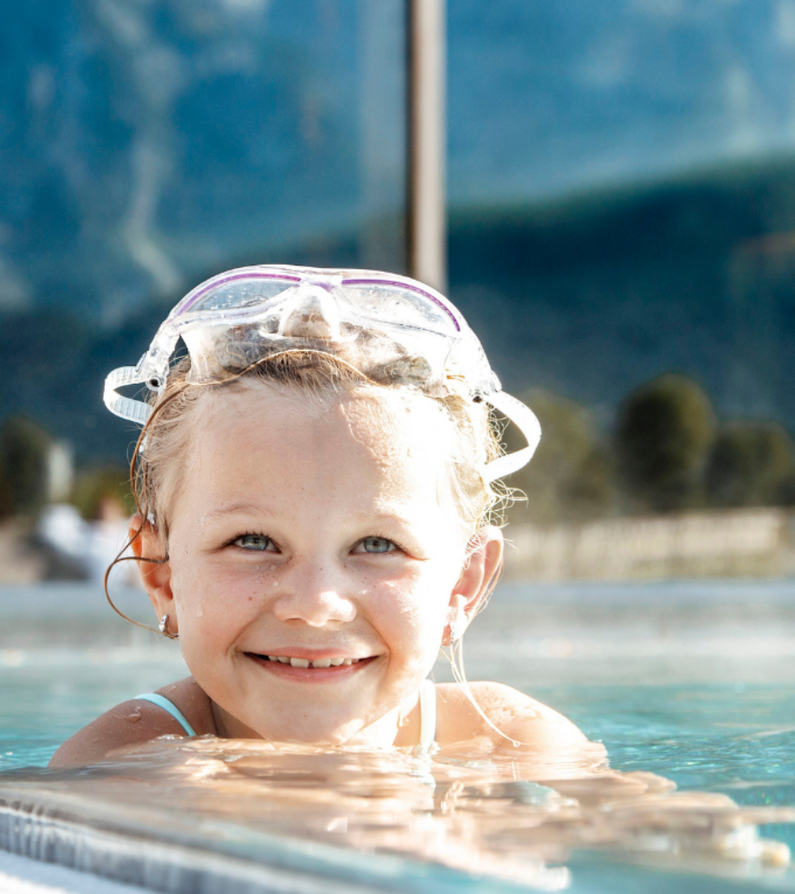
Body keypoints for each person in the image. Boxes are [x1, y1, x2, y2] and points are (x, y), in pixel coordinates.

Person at [51, 266, 586, 767]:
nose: (315, 606)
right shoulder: (121, 765)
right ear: (161, 573)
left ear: (463, 583)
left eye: (377, 545)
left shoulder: (515, 750)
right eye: (253, 541)